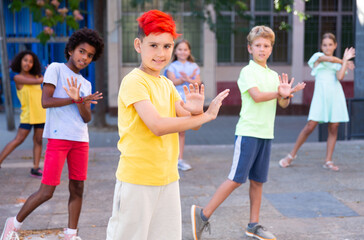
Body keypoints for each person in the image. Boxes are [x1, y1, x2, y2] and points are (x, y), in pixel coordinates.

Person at [106, 10, 229, 240]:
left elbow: (192, 125)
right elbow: (158, 125)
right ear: (138, 44)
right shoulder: (134, 80)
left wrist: (196, 109)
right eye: (153, 45)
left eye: (167, 46)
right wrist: (206, 115)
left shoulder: (166, 84)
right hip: (137, 179)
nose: (160, 53)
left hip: (168, 177)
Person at [190, 25, 306, 240]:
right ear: (250, 48)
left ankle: (253, 225)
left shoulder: (273, 75)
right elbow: (257, 96)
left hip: (266, 134)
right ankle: (202, 214)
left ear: (271, 49)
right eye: (258, 45)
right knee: (236, 179)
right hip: (248, 132)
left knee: (258, 181)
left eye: (266, 45)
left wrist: (286, 95)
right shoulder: (247, 71)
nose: (262, 49)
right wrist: (278, 92)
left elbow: (282, 105)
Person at [1, 28, 104, 240]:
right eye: (82, 51)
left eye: (90, 55)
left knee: (77, 187)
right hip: (58, 137)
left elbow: (86, 118)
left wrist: (82, 102)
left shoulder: (86, 84)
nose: (84, 57)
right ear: (70, 50)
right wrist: (74, 99)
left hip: (80, 139)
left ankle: (71, 233)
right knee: (47, 191)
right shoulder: (55, 69)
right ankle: (14, 223)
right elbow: (46, 102)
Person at [278, 33, 355, 171]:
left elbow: (340, 76)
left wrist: (343, 63)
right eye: (325, 44)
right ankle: (291, 155)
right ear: (321, 46)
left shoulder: (339, 64)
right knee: (310, 126)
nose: (327, 47)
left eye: (330, 45)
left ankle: (328, 160)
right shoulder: (317, 57)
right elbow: (326, 58)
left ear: (335, 45)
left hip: (335, 96)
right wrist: (343, 60)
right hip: (320, 97)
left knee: (333, 127)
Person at [0, 51, 45, 177]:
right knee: (18, 140)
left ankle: (35, 168)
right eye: (25, 60)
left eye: (31, 61)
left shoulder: (37, 77)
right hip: (28, 115)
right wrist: (46, 76)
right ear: (20, 61)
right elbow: (38, 82)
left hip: (41, 114)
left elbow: (41, 84)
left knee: (38, 141)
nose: (28, 63)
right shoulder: (18, 78)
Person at [166, 39, 201, 171]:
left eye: (185, 49)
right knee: (172, 130)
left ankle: (179, 159)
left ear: (189, 51)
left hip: (188, 103)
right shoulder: (171, 66)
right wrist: (186, 79)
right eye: (180, 49)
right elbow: (172, 81)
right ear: (175, 51)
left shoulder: (194, 66)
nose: (182, 52)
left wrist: (187, 79)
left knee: (182, 131)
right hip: (175, 101)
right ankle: (171, 158)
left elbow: (197, 82)